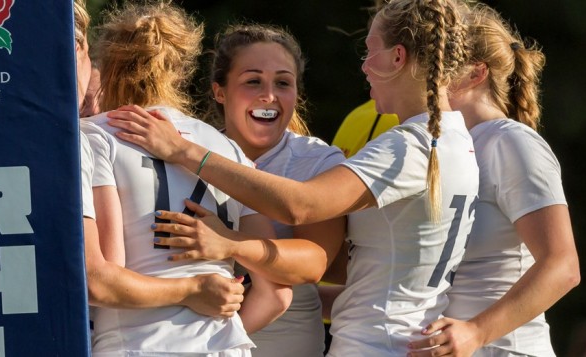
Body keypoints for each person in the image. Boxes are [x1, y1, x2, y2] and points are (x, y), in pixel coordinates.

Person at [106, 0, 480, 355]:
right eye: (253, 81)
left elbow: (300, 206)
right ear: (219, 91)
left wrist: (186, 157)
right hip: (398, 336)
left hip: (374, 342)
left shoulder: (403, 147)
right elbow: (358, 261)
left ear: (397, 57)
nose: (364, 65)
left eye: (370, 50)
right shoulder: (453, 141)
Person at [80, 2, 293, 355]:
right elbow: (276, 291)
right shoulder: (227, 149)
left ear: (109, 65)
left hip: (138, 345)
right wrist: (220, 331)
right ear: (180, 71)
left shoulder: (94, 136)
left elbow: (104, 277)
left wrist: (192, 291)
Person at [408, 3, 580, 356]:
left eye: (441, 64)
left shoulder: (512, 141)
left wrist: (476, 332)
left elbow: (563, 266)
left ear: (475, 73)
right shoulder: (448, 146)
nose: (428, 74)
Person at [175, 24, 348, 357]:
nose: (269, 95)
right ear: (219, 91)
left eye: (283, 83)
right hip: (199, 339)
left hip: (287, 341)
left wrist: (227, 242)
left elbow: (315, 263)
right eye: (253, 81)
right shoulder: (184, 148)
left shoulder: (317, 160)